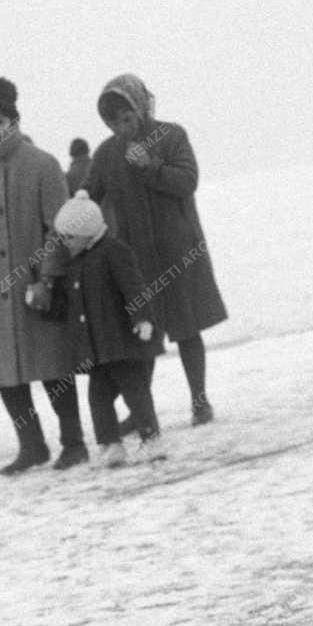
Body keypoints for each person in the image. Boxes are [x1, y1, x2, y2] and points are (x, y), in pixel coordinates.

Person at [0, 77, 89, 476]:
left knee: (52, 369)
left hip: (35, 289)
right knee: (5, 376)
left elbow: (60, 228)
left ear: (14, 121)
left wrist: (46, 279)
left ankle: (74, 443)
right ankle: (31, 446)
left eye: (0, 121)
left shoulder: (43, 164)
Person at [87, 75, 227, 427]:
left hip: (178, 252)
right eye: (113, 123)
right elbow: (89, 197)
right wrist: (74, 206)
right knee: (142, 336)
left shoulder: (172, 135)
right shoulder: (105, 154)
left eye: (127, 119)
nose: (121, 128)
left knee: (186, 328)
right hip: (134, 260)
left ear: (140, 109)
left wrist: (150, 165)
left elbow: (187, 181)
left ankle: (200, 401)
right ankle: (140, 411)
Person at [54, 190, 164, 465]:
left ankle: (151, 439)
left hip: (123, 343)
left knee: (136, 393)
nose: (64, 243)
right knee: (98, 398)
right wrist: (48, 305)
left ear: (87, 232)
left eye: (69, 236)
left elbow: (133, 286)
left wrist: (142, 318)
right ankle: (110, 444)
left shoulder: (114, 251)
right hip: (96, 349)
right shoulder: (75, 263)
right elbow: (71, 303)